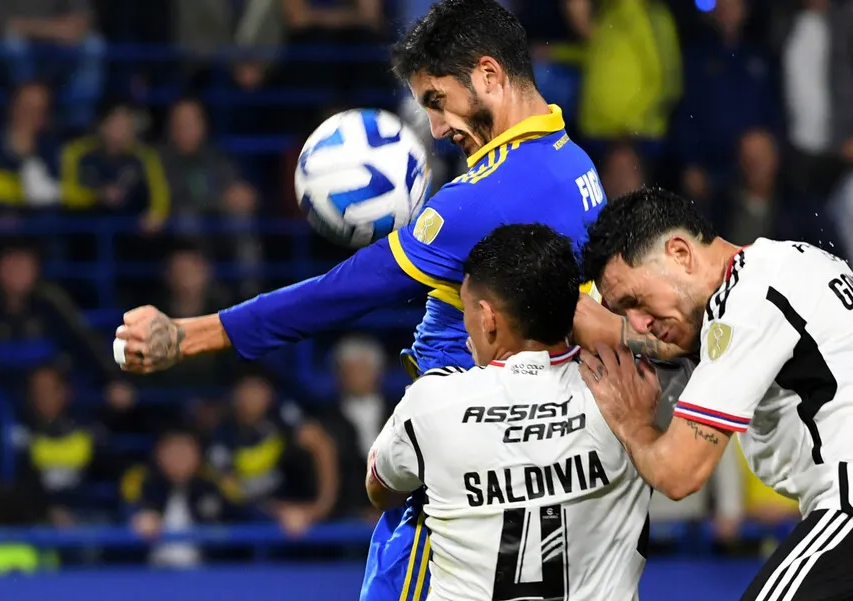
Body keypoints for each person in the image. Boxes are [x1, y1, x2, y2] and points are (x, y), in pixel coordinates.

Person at [113, 2, 682, 600]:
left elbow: (345, 290)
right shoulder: (572, 161)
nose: (435, 128)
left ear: (488, 75)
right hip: (540, 470)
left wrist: (190, 334)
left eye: (436, 102)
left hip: (455, 478)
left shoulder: (479, 199)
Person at [577, 186, 853, 600]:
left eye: (636, 300)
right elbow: (687, 341)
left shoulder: (747, 303)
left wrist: (630, 421)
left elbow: (678, 472)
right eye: (624, 313)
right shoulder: (780, 266)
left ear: (680, 254)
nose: (638, 324)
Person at [367, 224, 651, 601]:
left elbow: (381, 490)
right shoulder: (628, 393)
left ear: (488, 318)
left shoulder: (431, 402)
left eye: (466, 310)